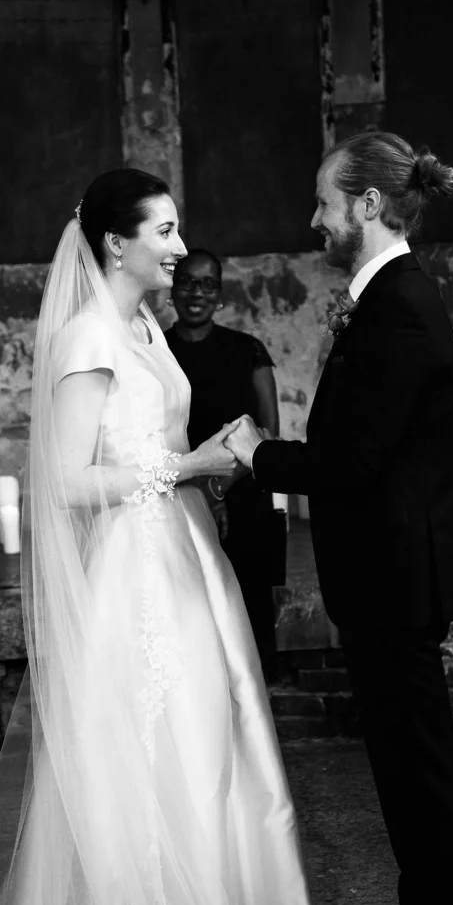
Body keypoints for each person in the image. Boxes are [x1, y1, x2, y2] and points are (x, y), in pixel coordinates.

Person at [0, 169, 320, 905]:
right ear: (116, 244)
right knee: (158, 745)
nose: (179, 248)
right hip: (137, 571)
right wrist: (188, 469)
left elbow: (154, 440)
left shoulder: (146, 329)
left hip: (187, 551)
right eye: (164, 232)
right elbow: (66, 482)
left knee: (212, 741)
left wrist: (206, 463)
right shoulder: (85, 337)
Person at [226, 132, 453, 905]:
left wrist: (254, 454)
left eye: (324, 203)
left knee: (419, 775)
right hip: (390, 577)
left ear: (367, 205)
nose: (314, 219)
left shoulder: (399, 308)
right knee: (412, 771)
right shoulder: (388, 299)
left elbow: (351, 460)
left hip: (395, 582)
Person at [164, 249, 280, 680]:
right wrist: (195, 489)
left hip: (243, 496)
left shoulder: (248, 351)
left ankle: (255, 711)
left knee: (248, 604)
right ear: (172, 290)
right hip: (178, 499)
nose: (197, 292)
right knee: (190, 610)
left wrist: (218, 490)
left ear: (221, 295)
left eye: (208, 283)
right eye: (187, 282)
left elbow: (268, 432)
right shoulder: (155, 354)